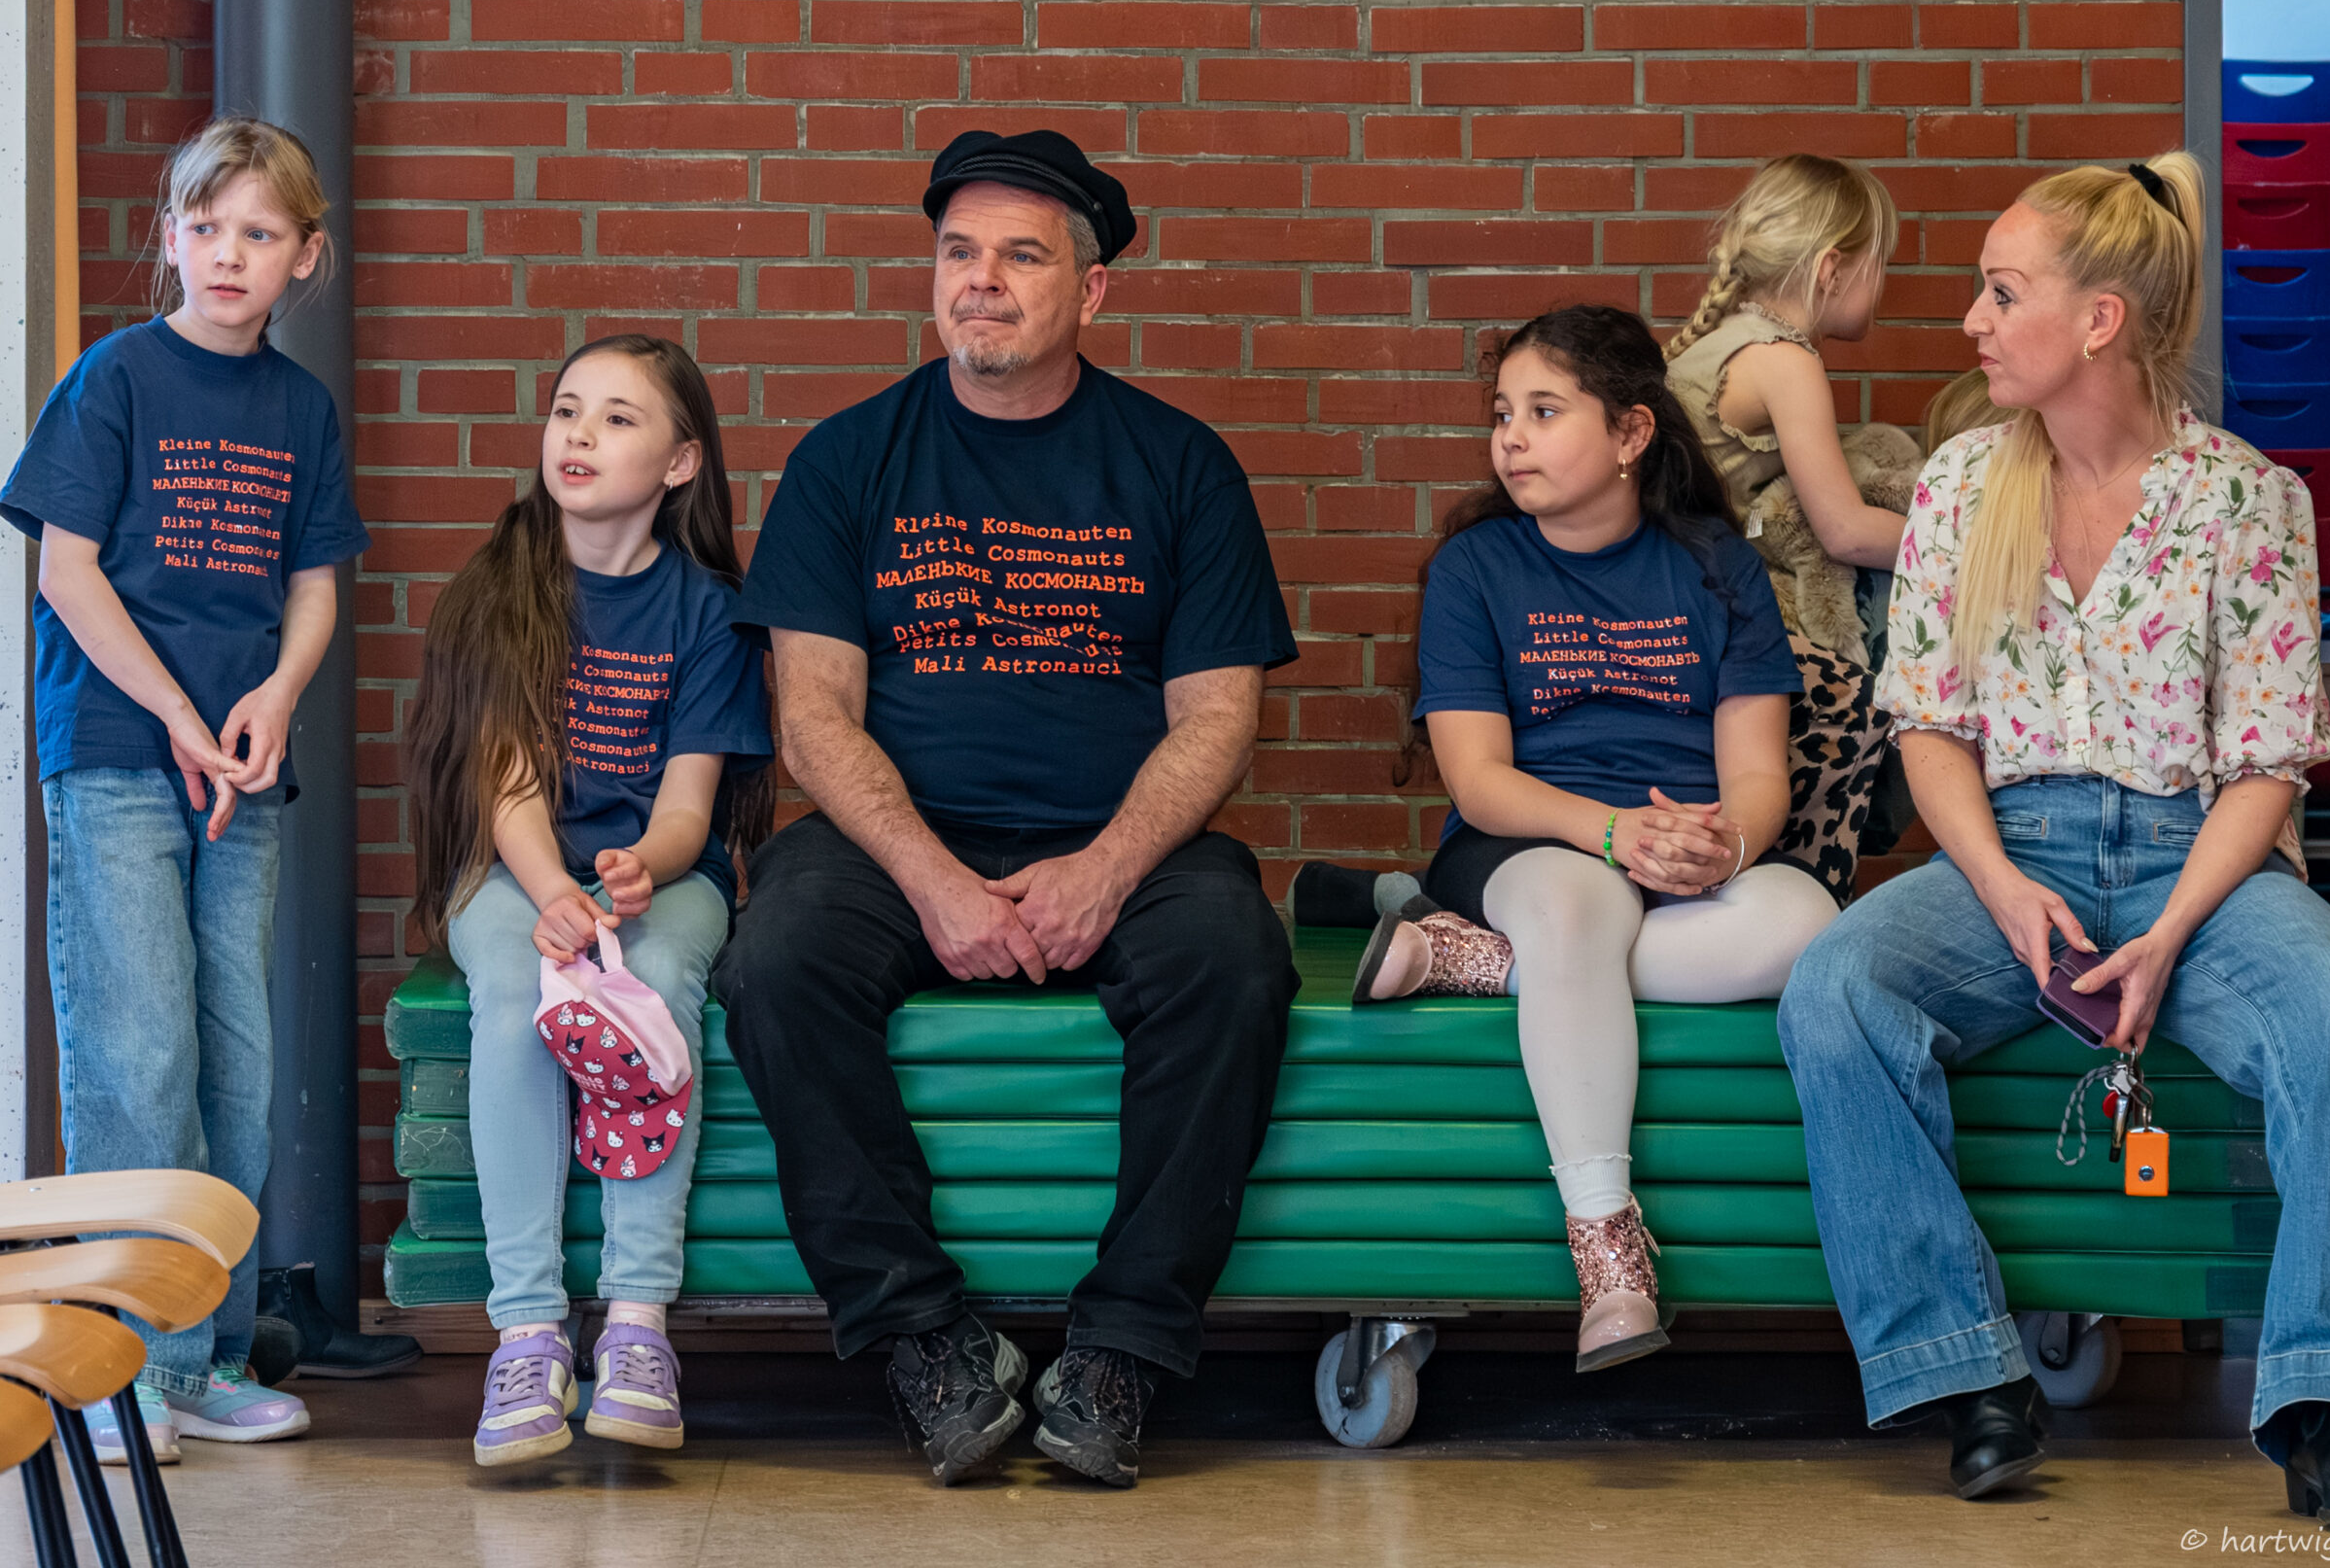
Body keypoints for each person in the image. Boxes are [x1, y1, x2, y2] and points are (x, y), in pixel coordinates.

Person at [1777, 154, 2330, 1532]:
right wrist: (2004, 890)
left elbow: (2266, 763)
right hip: (2007, 845)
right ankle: (1965, 1371)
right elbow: (1930, 729)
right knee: (1835, 986)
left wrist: (2171, 931)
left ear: (2100, 320)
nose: (1972, 319)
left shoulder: (2248, 500)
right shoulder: (1960, 486)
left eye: (2002, 292)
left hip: (2207, 857)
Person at [715, 130, 1300, 1490]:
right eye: (958, 251)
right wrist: (933, 878)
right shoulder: (848, 459)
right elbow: (813, 717)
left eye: (1021, 255)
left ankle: (1124, 1347)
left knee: (1233, 957)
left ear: (1089, 291)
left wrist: (1106, 865)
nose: (979, 279)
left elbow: (1218, 715)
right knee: (776, 957)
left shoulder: (1181, 464)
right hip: (900, 840)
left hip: (1120, 838)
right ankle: (924, 1336)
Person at [1351, 305, 1839, 1372]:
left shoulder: (1717, 566)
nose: (1510, 438)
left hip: (1680, 848)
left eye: (1543, 412)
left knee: (1809, 923)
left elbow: (1760, 773)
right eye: (1501, 414)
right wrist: (1613, 835)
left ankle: (1479, 963)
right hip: (1531, 841)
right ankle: (1607, 1245)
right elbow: (1479, 781)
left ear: (1630, 432)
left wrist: (1728, 847)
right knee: (1579, 906)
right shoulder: (1477, 567)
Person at [0, 116, 368, 1462]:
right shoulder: (112, 378)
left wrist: (275, 696)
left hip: (241, 777)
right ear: (170, 236)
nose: (227, 252)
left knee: (236, 1066)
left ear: (303, 256)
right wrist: (177, 714)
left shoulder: (301, 412)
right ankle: (112, 1371)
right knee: (136, 1055)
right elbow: (67, 572)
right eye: (205, 227)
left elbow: (313, 585)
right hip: (118, 753)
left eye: (258, 232)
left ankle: (200, 1357)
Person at [404, 335, 773, 1467]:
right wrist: (557, 891)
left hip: (658, 877)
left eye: (618, 418)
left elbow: (690, 802)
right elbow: (506, 781)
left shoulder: (709, 611)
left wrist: (641, 868)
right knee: (519, 982)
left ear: (680, 462)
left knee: (653, 976)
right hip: (514, 868)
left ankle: (636, 1326)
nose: (579, 434)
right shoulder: (499, 587)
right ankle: (525, 1332)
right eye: (568, 409)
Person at [1664, 155, 1912, 900]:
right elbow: (1845, 531)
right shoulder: (1783, 359)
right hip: (1720, 611)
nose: (1884, 283)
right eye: (1880, 264)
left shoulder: (1723, 339)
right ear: (1831, 268)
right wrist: (1972, 546)